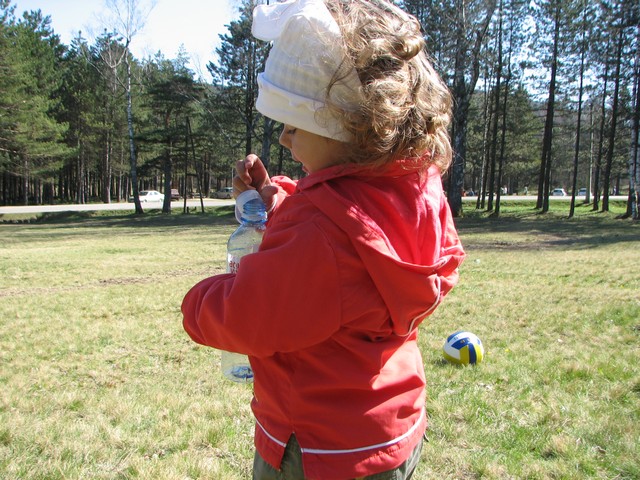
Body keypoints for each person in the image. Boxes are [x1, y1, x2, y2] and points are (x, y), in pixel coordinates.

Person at [182, 0, 465, 478]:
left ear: (346, 127)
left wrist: (197, 302)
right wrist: (277, 200)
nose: (284, 139)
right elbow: (347, 230)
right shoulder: (417, 187)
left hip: (319, 448)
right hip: (391, 427)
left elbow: (251, 315)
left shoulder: (322, 235)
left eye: (294, 125)